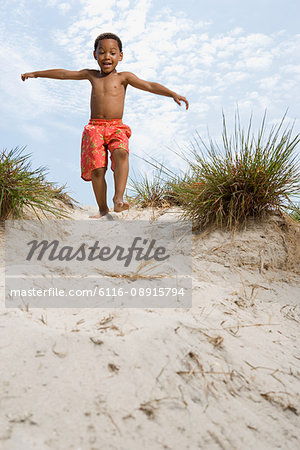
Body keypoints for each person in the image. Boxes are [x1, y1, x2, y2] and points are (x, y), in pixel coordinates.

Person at [21, 32, 189, 217]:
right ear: (95, 55)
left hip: (117, 127)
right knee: (98, 170)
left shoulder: (124, 77)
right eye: (102, 52)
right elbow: (63, 74)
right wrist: (36, 74)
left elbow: (149, 85)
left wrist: (172, 93)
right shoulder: (91, 76)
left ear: (120, 56)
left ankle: (118, 199)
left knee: (121, 153)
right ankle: (102, 209)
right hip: (95, 128)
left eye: (112, 52)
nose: (107, 56)